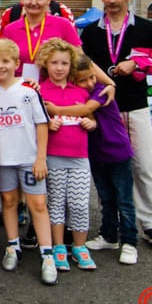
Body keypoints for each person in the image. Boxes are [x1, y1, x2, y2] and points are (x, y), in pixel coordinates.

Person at [80, 0, 152, 247]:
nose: (112, 0)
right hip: (105, 109)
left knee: (143, 165)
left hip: (135, 106)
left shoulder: (144, 27)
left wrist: (138, 64)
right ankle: (112, 225)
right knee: (107, 168)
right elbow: (84, 66)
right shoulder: (93, 31)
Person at [45, 56, 139, 265]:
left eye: (90, 78)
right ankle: (109, 236)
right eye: (82, 80)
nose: (89, 83)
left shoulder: (100, 90)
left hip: (117, 151)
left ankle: (130, 241)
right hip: (95, 153)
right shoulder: (77, 93)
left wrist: (56, 110)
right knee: (106, 197)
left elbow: (86, 110)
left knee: (124, 199)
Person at [0, 38, 57, 286]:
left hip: (29, 159)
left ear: (17, 63)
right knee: (8, 201)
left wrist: (40, 158)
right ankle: (12, 246)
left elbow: (42, 124)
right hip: (4, 160)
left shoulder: (29, 91)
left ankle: (47, 255)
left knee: (38, 204)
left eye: (6, 61)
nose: (1, 65)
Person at [35, 38, 98, 272]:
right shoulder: (40, 91)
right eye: (54, 63)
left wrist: (91, 124)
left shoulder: (81, 92)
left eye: (64, 63)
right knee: (57, 204)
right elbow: (33, 122)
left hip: (80, 158)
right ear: (45, 64)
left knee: (80, 204)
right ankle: (59, 246)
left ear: (71, 66)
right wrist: (47, 124)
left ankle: (80, 247)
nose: (59, 68)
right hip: (53, 157)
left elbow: (92, 119)